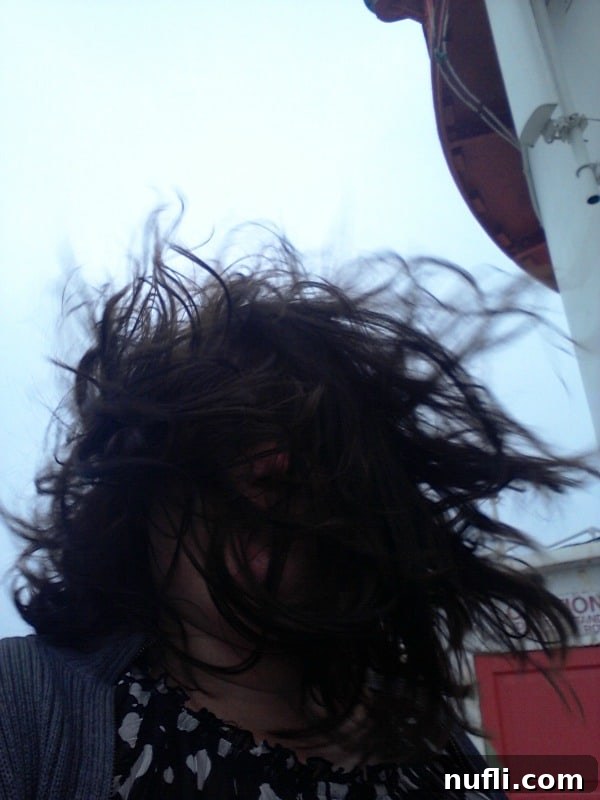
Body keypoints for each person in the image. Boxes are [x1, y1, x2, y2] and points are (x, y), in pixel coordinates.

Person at [0, 219, 591, 799]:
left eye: (318, 444)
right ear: (138, 495)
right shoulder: (24, 709)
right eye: (223, 435)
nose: (275, 462)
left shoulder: (445, 756)